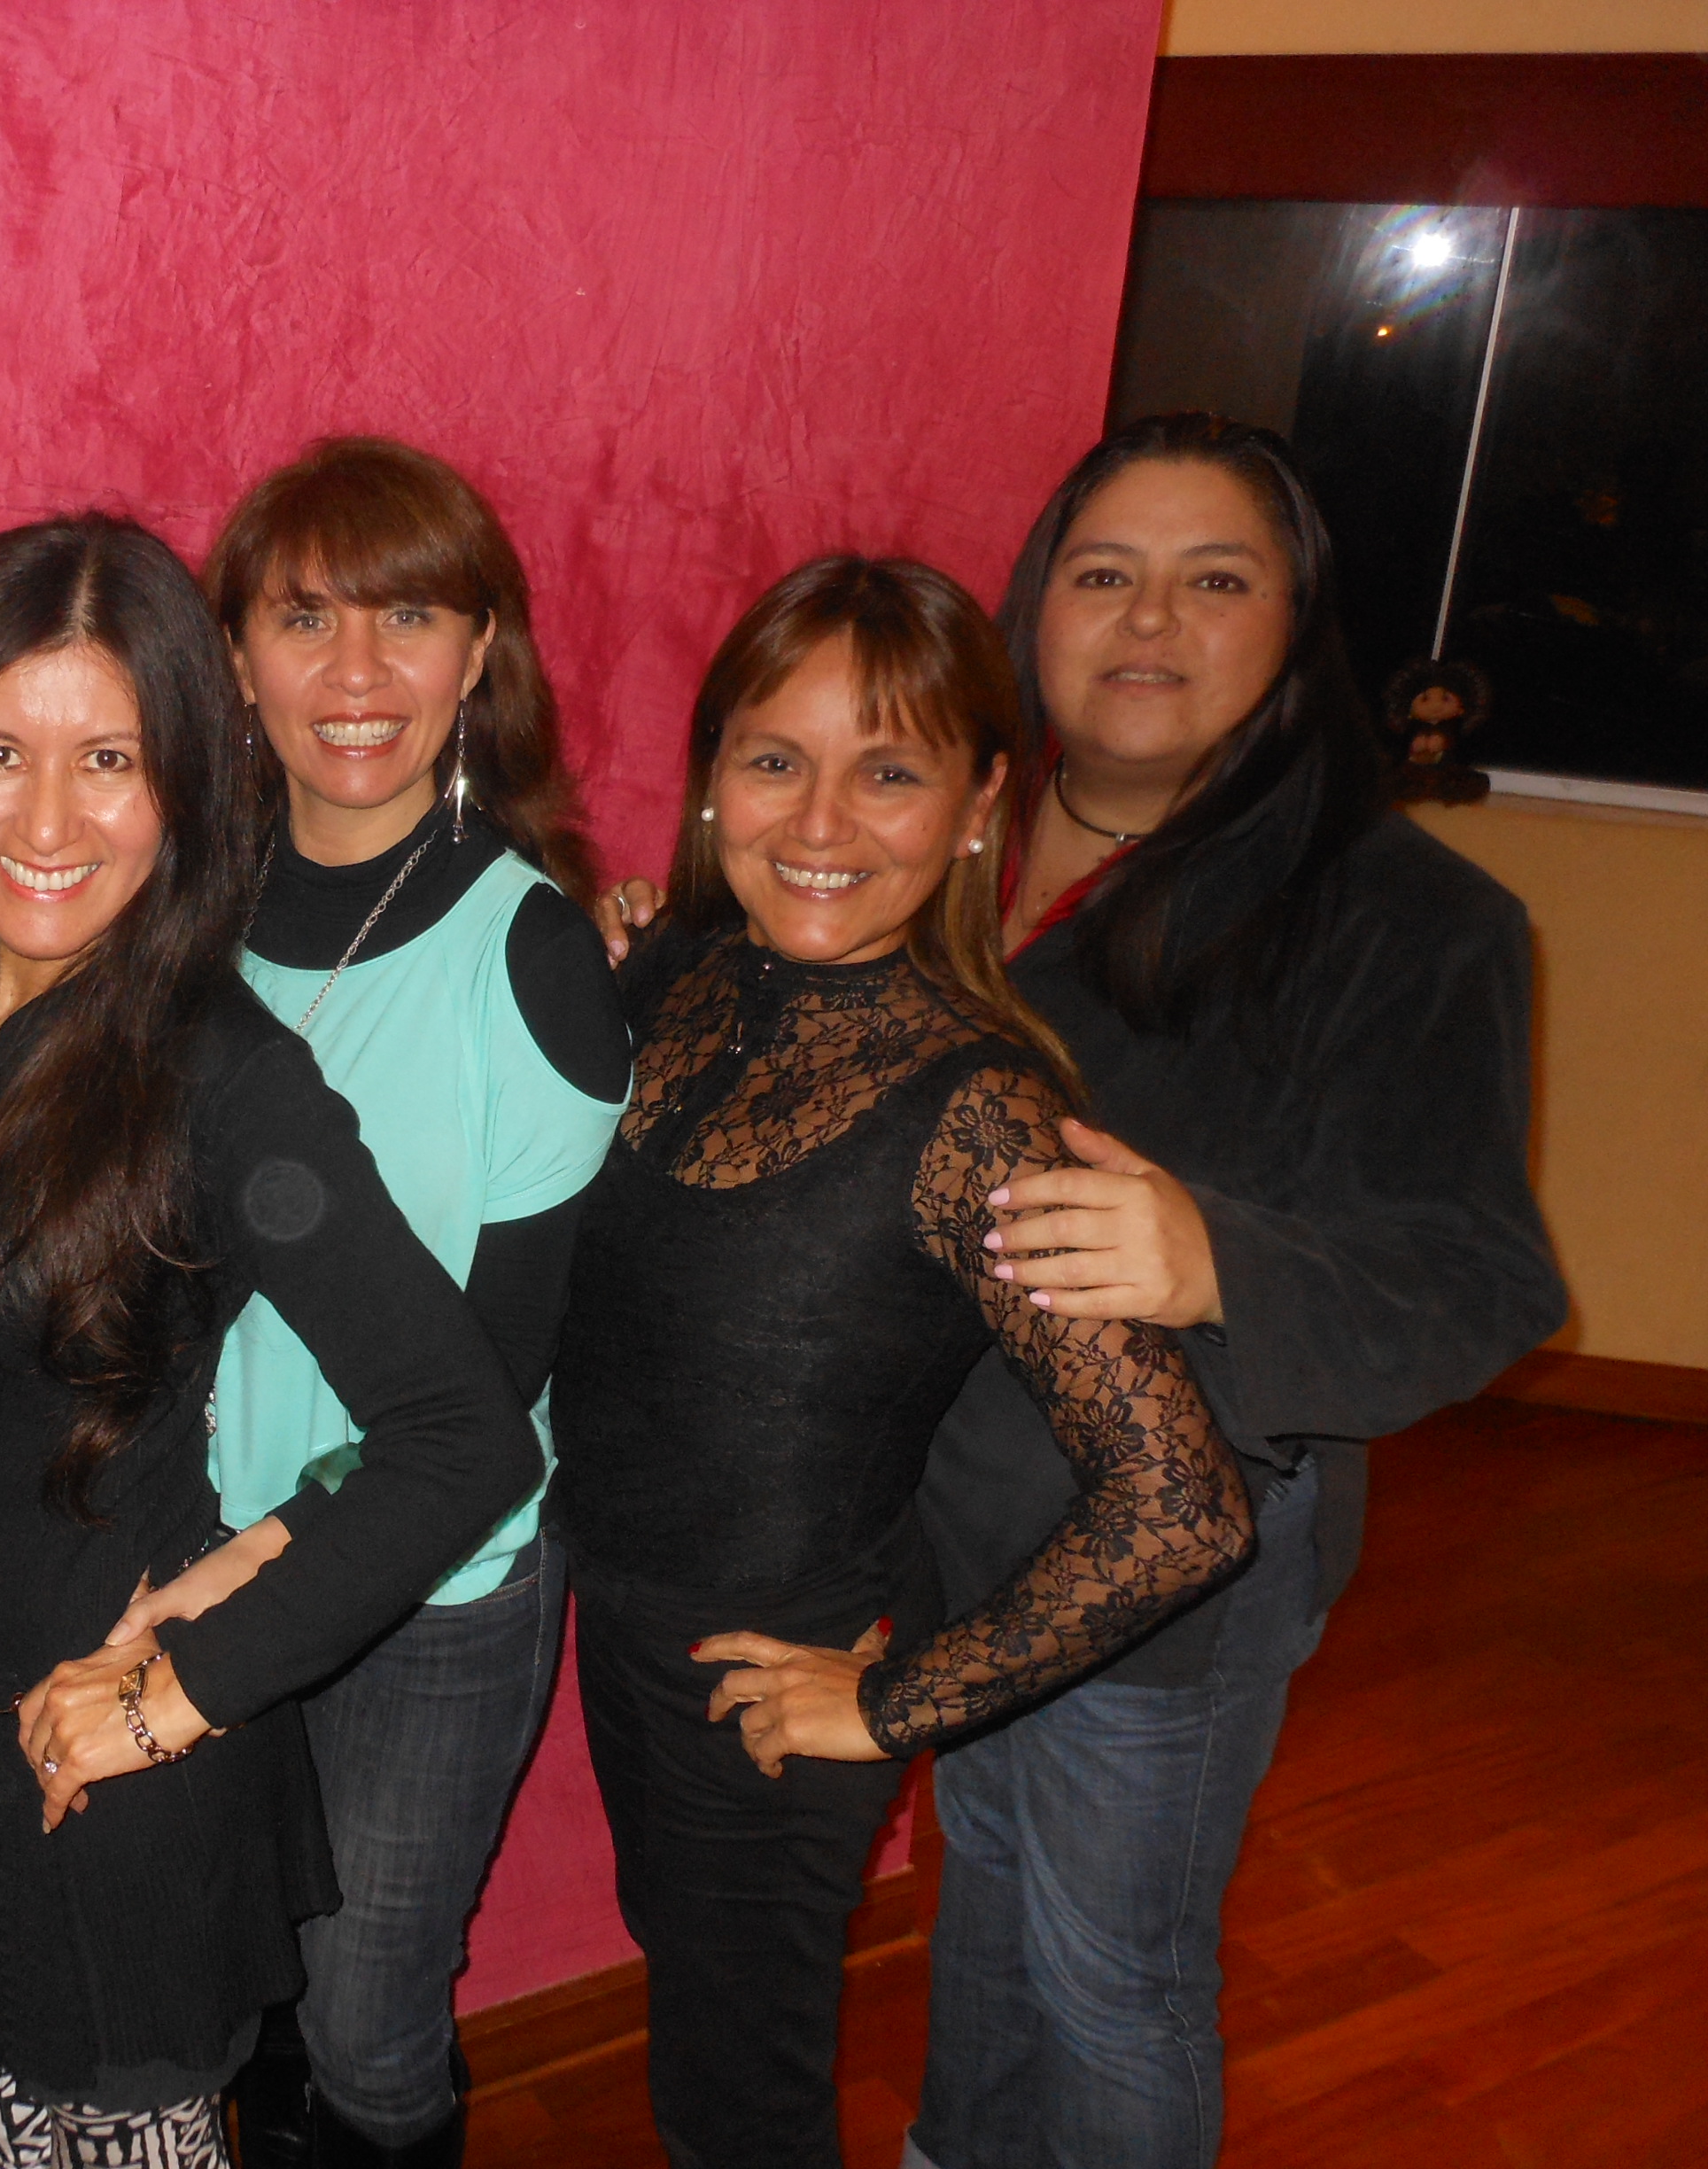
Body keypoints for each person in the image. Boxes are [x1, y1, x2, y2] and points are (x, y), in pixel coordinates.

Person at [0, 513, 540, 2168]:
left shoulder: (219, 1072)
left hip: (100, 1805)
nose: (48, 822)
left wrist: (185, 1692)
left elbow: (463, 1436)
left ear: (186, 783)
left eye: (109, 759)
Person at [896, 416, 1566, 2169]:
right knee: (985, 1906)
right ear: (1036, 607)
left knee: (1110, 1979)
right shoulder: (942, 835)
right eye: (1105, 574)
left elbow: (1484, 1276)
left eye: (1215, 580)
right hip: (950, 1526)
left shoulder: (1406, 918)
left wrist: (1219, 1262)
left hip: (1175, 1563)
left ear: (1296, 622)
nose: (1149, 621)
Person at [550, 555, 1260, 2169]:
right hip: (625, 1610)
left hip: (779, 1663)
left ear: (976, 807)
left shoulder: (982, 1109)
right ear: (714, 778)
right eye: (774, 760)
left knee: (736, 2103)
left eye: (888, 774)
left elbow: (1181, 1508)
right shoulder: (684, 971)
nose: (820, 823)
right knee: (695, 2003)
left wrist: (895, 1704)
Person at [93, 436, 629, 2169]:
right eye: (305, 617)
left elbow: (505, 1361)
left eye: (410, 617)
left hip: (430, 1592)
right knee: (243, 1985)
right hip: (198, 1539)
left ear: (480, 656)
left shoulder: (531, 952)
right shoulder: (175, 915)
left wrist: (265, 1565)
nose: (357, 671)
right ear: (233, 658)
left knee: (367, 2024)